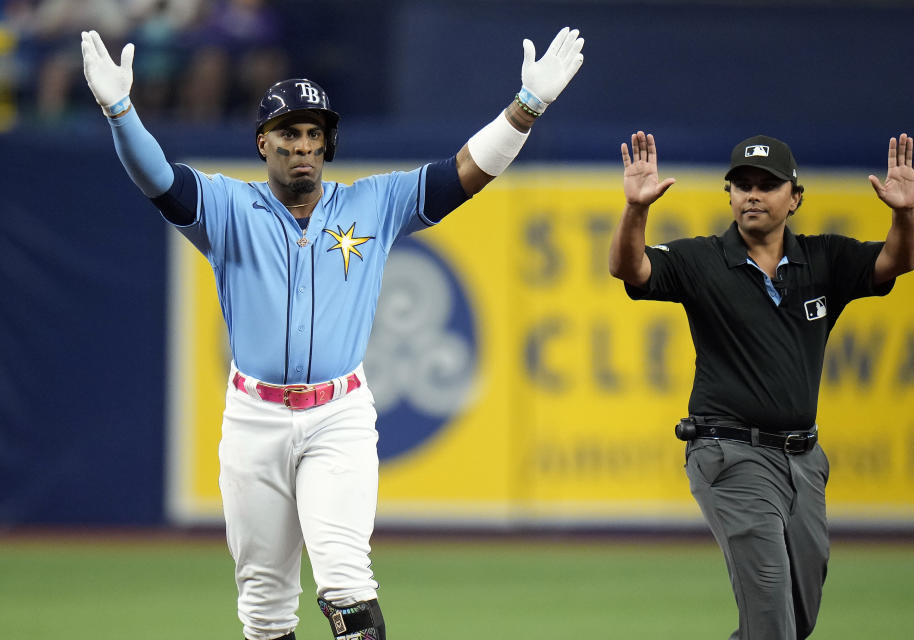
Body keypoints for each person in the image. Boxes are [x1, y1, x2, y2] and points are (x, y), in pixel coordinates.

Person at [80, 26, 584, 640]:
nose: (303, 147)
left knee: (346, 583)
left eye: (314, 135)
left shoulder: (373, 203)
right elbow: (156, 178)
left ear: (328, 146)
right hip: (253, 417)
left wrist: (525, 108)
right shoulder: (227, 208)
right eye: (289, 134)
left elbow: (463, 174)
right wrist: (120, 111)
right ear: (263, 143)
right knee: (264, 608)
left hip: (337, 415)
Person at [608, 131, 914, 639]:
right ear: (728, 195)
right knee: (771, 611)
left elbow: (896, 262)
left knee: (796, 619)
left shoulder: (825, 260)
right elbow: (631, 268)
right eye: (742, 184)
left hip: (804, 461)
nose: (752, 194)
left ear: (794, 198)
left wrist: (904, 214)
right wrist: (635, 210)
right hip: (730, 453)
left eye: (767, 185)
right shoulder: (701, 259)